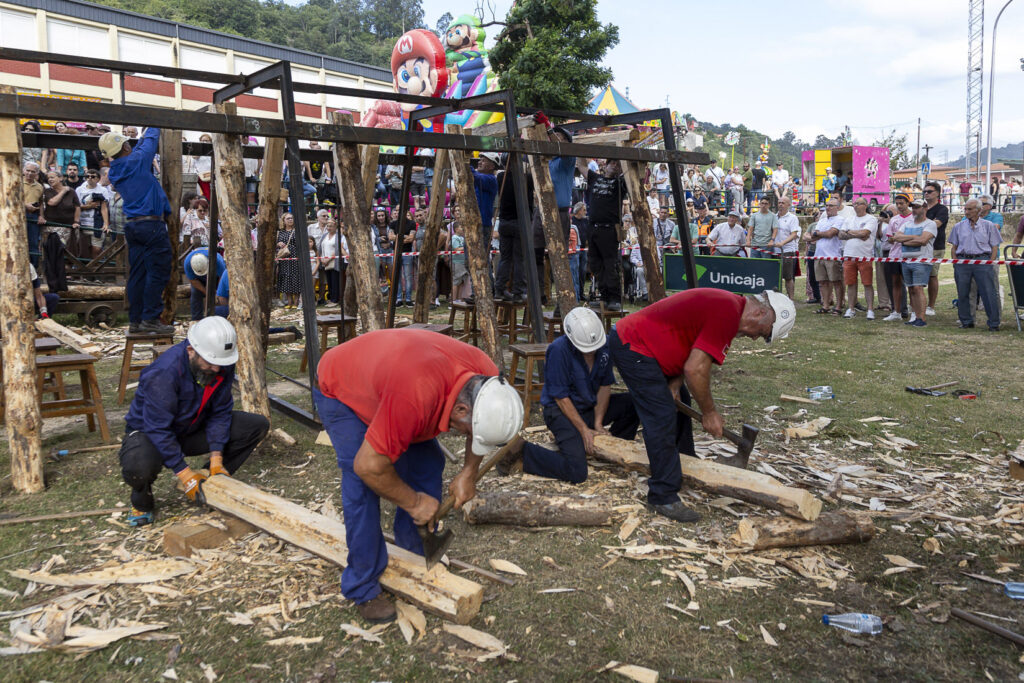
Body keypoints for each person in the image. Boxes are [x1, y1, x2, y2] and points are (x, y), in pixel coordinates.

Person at [313, 329, 523, 623]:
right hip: (341, 389)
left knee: (428, 464)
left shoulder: (487, 380)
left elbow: (478, 433)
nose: (468, 436)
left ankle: (412, 553)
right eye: (469, 431)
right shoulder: (414, 395)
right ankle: (362, 586)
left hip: (397, 381)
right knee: (362, 485)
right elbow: (368, 466)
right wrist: (413, 502)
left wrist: (469, 472)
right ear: (461, 408)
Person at [608, 289, 796, 523]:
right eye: (762, 332)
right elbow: (695, 369)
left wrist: (675, 383)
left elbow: (687, 343)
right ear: (760, 313)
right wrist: (709, 413)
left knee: (678, 399)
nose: (756, 338)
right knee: (661, 414)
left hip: (645, 344)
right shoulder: (727, 313)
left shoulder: (730, 309)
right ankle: (663, 495)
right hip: (633, 343)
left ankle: (685, 461)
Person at [119, 317, 271, 526]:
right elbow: (158, 428)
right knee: (139, 465)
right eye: (209, 363)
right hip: (150, 434)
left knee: (256, 426)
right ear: (191, 351)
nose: (216, 369)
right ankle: (142, 503)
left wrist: (217, 457)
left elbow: (220, 412)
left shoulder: (219, 362)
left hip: (191, 428)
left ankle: (211, 480)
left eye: (220, 364)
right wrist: (184, 474)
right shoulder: (164, 373)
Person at [499, 308, 639, 482]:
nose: (591, 352)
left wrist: (598, 423)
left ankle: (610, 448)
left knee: (633, 403)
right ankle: (523, 451)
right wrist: (584, 430)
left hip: (589, 406)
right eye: (586, 349)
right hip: (560, 412)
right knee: (576, 472)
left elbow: (605, 385)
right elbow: (561, 398)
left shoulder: (604, 346)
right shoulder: (558, 350)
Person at [101, 129, 174, 335]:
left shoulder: (115, 170)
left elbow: (140, 148)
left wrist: (141, 137)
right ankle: (151, 319)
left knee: (138, 274)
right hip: (151, 225)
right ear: (125, 146)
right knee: (158, 272)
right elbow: (151, 140)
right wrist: (152, 124)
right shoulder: (136, 161)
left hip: (133, 226)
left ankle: (136, 320)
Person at [948, 198, 1002, 331]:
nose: (966, 212)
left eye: (970, 209)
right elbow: (954, 247)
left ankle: (994, 323)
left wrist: (990, 263)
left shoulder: (989, 226)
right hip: (963, 261)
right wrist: (956, 262)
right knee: (963, 293)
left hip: (983, 260)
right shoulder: (958, 226)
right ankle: (966, 321)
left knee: (988, 293)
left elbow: (994, 246)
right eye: (965, 209)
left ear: (978, 210)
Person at [587, 159, 628, 311]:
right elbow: (582, 165)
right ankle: (604, 296)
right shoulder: (595, 178)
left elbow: (632, 173)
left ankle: (615, 298)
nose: (615, 166)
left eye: (618, 165)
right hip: (593, 227)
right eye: (613, 163)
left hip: (609, 228)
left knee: (610, 264)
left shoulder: (620, 183)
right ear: (606, 165)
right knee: (595, 264)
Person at [889, 198, 936, 328]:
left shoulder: (930, 224)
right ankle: (916, 316)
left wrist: (904, 240)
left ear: (925, 208)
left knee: (917, 288)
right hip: (906, 260)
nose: (914, 209)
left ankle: (921, 318)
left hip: (921, 261)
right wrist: (914, 237)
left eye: (917, 207)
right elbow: (896, 237)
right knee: (911, 289)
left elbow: (923, 240)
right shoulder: (907, 224)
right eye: (913, 207)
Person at [837, 197, 877, 319]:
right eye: (854, 204)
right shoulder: (849, 219)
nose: (856, 206)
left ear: (865, 205)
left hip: (865, 256)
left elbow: (865, 233)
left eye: (859, 204)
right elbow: (841, 235)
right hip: (849, 255)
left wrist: (849, 232)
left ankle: (870, 309)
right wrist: (857, 233)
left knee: (867, 283)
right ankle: (851, 308)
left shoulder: (871, 219)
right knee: (850, 283)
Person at [881, 193, 914, 322]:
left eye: (902, 203)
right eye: (897, 204)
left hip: (909, 255)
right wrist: (897, 238)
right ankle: (896, 311)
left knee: (911, 285)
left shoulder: (914, 218)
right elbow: (890, 239)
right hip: (894, 255)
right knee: (895, 283)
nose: (899, 206)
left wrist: (899, 237)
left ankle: (914, 311)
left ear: (908, 203)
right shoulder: (894, 219)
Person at [809, 198, 845, 313]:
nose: (828, 208)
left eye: (831, 206)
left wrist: (818, 233)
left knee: (836, 282)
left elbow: (830, 234)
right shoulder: (822, 220)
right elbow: (813, 236)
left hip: (833, 255)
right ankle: (825, 306)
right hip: (819, 255)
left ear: (837, 207)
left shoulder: (840, 219)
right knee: (823, 282)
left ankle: (838, 306)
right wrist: (819, 234)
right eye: (827, 205)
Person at [922, 180, 949, 317]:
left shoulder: (942, 209)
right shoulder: (920, 207)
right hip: (918, 245)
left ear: (937, 193)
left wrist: (918, 226)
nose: (926, 193)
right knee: (917, 274)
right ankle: (916, 303)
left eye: (929, 191)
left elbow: (936, 224)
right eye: (924, 191)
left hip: (935, 246)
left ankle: (931, 306)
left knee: (932, 276)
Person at [76, 168, 112, 258]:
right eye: (87, 176)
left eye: (92, 176)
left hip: (97, 223)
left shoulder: (103, 190)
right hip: (82, 223)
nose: (89, 178)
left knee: (96, 249)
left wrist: (106, 224)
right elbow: (76, 206)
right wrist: (87, 206)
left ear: (98, 179)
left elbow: (104, 208)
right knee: (82, 250)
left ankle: (95, 266)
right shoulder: (79, 189)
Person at [770, 197, 800, 299]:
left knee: (788, 277)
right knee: (775, 277)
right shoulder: (773, 217)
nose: (780, 204)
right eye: (779, 202)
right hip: (774, 251)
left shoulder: (792, 218)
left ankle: (791, 299)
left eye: (783, 203)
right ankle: (776, 298)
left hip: (787, 251)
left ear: (788, 205)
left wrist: (782, 243)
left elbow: (794, 234)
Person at [183, 248, 226, 321]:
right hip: (198, 279)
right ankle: (196, 319)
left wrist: (218, 293)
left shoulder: (217, 261)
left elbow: (222, 277)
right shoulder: (187, 264)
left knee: (222, 295)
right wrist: (206, 292)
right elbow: (193, 281)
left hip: (216, 275)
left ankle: (223, 316)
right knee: (195, 293)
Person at [276, 213, 301, 308]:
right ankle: (289, 302)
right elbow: (276, 245)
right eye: (288, 218)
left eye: (292, 218)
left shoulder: (297, 231)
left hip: (295, 257)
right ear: (283, 221)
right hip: (285, 259)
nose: (290, 220)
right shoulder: (280, 232)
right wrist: (279, 244)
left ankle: (296, 302)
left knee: (295, 278)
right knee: (285, 278)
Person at [23, 162, 44, 268]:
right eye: (28, 170)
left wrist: (41, 215)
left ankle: (33, 269)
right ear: (23, 170)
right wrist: (25, 205)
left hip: (33, 215)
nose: (30, 173)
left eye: (33, 171)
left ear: (37, 173)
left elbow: (41, 203)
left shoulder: (39, 186)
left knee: (33, 242)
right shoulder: (17, 182)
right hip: (18, 215)